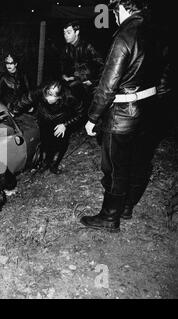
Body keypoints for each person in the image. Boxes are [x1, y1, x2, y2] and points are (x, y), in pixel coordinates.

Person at [81, 0, 160, 232]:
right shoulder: (153, 32)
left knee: (115, 167)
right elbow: (162, 76)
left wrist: (92, 117)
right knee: (136, 161)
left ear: (124, 8)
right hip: (146, 112)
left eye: (115, 12)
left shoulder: (125, 35)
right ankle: (126, 207)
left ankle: (109, 217)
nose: (114, 17)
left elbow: (108, 84)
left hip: (122, 117)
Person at [29, 80, 84, 174]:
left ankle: (54, 165)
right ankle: (45, 163)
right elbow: (26, 99)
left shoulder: (70, 97)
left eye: (52, 96)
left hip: (61, 122)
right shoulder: (42, 91)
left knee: (61, 144)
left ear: (60, 96)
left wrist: (65, 124)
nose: (47, 98)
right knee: (45, 142)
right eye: (47, 94)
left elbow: (80, 114)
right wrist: (14, 111)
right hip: (45, 120)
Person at [60, 20, 104, 122]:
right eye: (64, 33)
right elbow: (64, 64)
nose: (65, 35)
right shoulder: (67, 48)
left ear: (77, 32)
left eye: (69, 32)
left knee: (95, 109)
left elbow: (101, 65)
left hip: (93, 83)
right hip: (78, 81)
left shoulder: (88, 46)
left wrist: (93, 81)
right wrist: (65, 75)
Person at [0, 52, 33, 117]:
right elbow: (0, 95)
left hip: (22, 107)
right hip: (8, 109)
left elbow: (28, 91)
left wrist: (30, 105)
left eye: (11, 63)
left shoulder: (23, 76)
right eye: (7, 63)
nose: (9, 65)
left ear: (16, 64)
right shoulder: (3, 78)